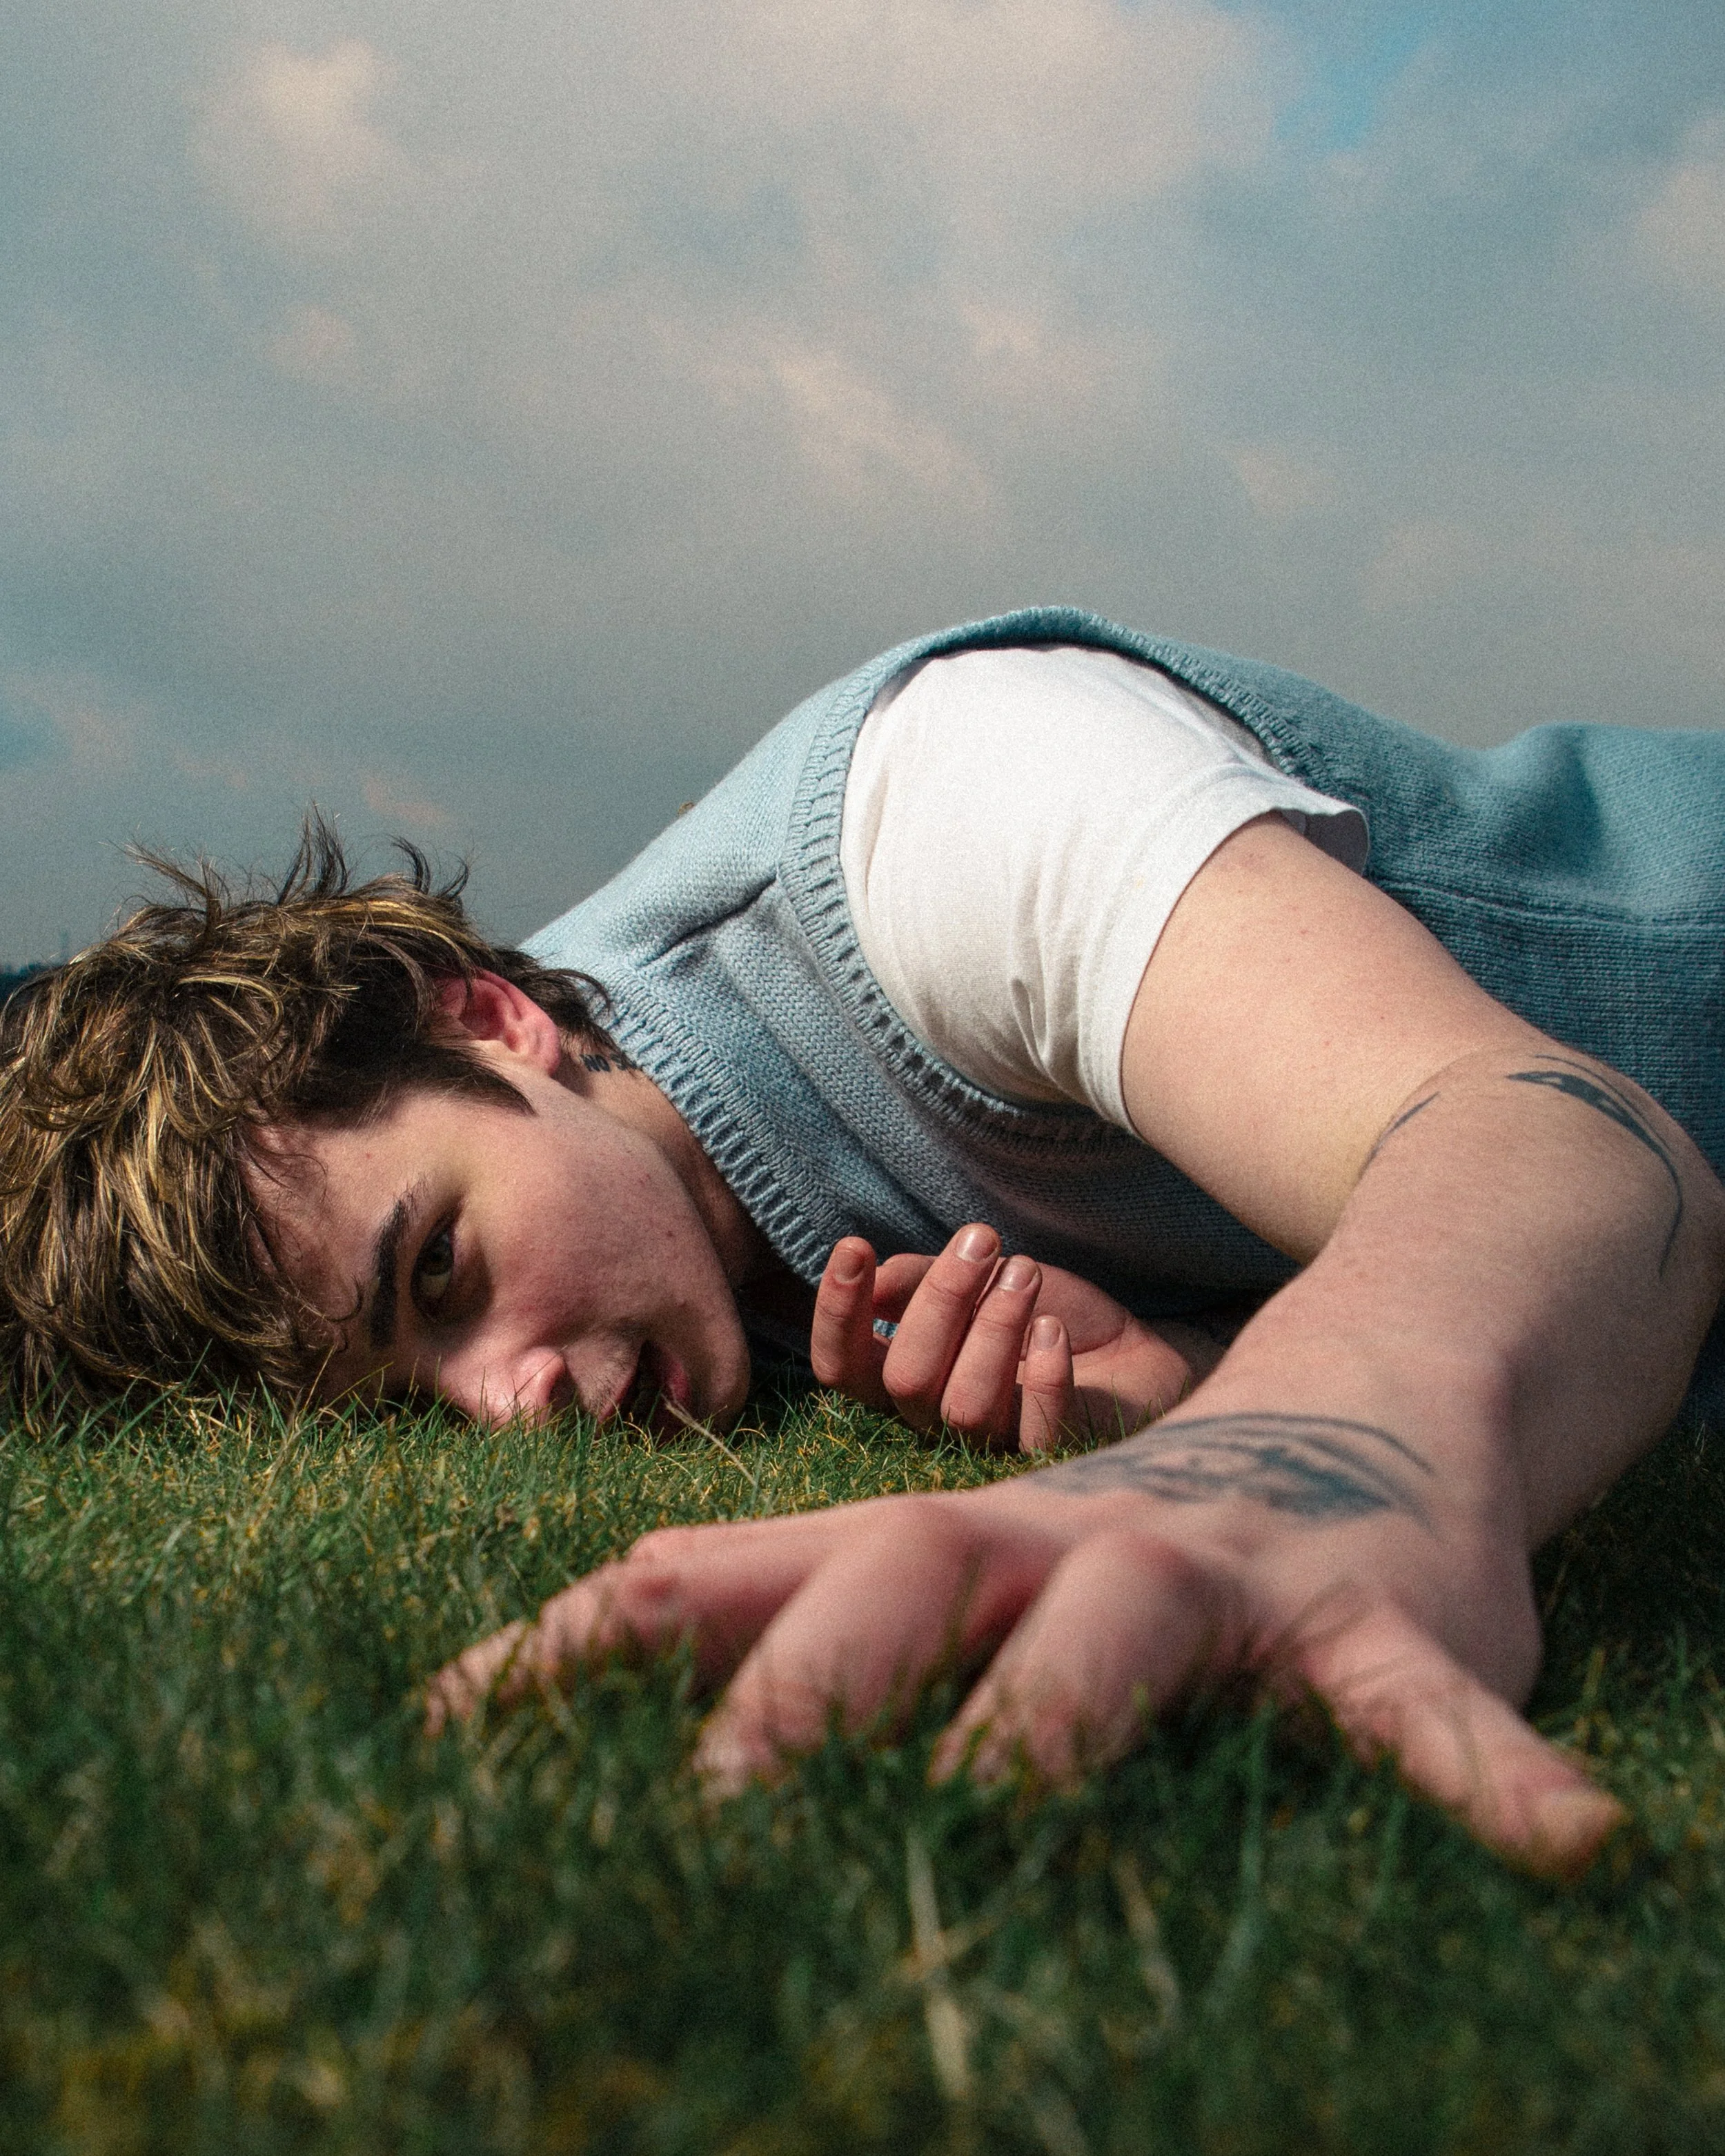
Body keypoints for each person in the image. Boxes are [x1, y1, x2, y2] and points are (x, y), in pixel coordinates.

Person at [6, 605, 1725, 1881]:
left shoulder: (941, 815)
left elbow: (1551, 1133)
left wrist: (1279, 1459)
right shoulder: (652, 1259)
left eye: (437, 1275)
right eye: (408, 1399)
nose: (508, 1408)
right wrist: (1179, 1378)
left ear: (487, 1021)